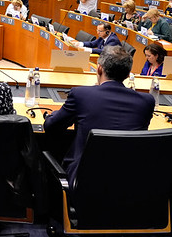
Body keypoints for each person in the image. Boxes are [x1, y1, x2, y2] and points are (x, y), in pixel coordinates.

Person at [44, 46, 155, 186]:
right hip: (129, 182)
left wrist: (52, 115)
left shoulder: (81, 95)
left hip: (85, 182)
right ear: (128, 75)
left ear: (99, 69)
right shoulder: (146, 101)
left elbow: (51, 127)